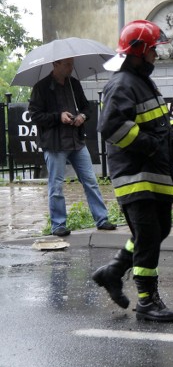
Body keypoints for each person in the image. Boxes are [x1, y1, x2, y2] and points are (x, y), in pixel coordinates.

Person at [92, 20, 173, 322]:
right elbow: (110, 127)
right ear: (141, 51)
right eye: (153, 51)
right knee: (148, 234)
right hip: (136, 176)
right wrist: (149, 146)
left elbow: (160, 117)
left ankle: (113, 271)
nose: (156, 56)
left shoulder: (143, 82)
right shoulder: (121, 84)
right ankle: (147, 301)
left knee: (160, 230)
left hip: (154, 174)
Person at [28, 58, 117, 237]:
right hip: (55, 144)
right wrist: (58, 117)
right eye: (67, 64)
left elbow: (86, 107)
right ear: (56, 64)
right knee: (56, 186)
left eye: (72, 63)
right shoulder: (41, 87)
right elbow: (35, 115)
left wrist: (82, 116)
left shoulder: (74, 84)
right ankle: (58, 225)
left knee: (91, 181)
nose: (71, 67)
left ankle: (102, 219)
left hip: (76, 142)